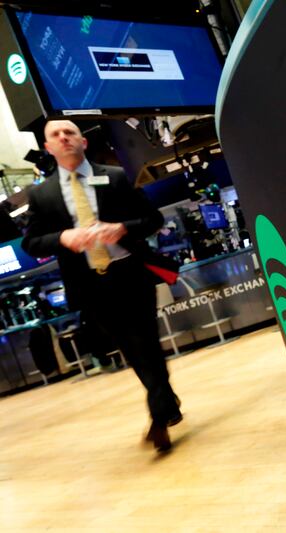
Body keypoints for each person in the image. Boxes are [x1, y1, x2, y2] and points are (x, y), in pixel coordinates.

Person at [22, 119, 182, 452]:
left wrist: (122, 228)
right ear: (48, 147)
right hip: (90, 284)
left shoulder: (116, 177)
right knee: (132, 348)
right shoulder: (41, 194)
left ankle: (158, 419)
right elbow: (32, 243)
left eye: (70, 133)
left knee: (147, 343)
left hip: (130, 273)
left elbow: (153, 220)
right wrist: (63, 237)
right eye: (55, 135)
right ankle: (168, 403)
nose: (64, 138)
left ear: (83, 141)